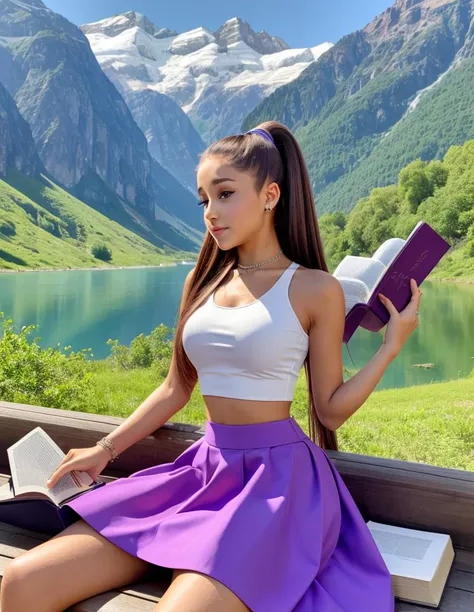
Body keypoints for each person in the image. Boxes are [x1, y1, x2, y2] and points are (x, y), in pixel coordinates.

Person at [0, 121, 422, 612]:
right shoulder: (202, 284)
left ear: (270, 195)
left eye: (224, 194)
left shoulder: (316, 288)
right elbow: (176, 386)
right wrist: (104, 448)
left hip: (276, 486)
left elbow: (328, 411)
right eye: (204, 200)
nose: (211, 213)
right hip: (202, 471)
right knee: (21, 583)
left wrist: (390, 347)